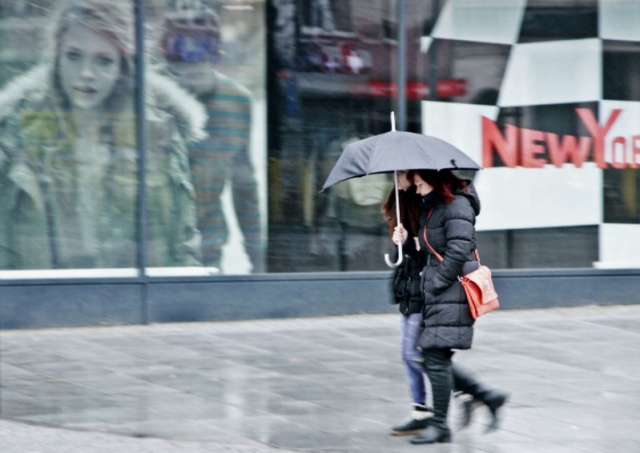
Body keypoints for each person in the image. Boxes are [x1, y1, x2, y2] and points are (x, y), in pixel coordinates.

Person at [0, 0, 205, 269]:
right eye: (74, 56)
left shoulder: (159, 135)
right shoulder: (16, 132)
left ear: (123, 66)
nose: (86, 74)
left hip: (134, 307)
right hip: (40, 307)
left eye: (104, 60)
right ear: (56, 56)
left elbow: (183, 249)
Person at [392, 169, 509, 444]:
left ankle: (441, 424)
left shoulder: (457, 205)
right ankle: (486, 398)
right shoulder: (433, 208)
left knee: (433, 357)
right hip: (439, 291)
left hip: (451, 290)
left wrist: (436, 283)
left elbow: (459, 250)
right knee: (432, 357)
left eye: (420, 185)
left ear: (434, 181)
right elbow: (429, 252)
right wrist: (406, 241)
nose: (417, 191)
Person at [159, 2, 265, 273]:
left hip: (208, 251)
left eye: (202, 46)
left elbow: (245, 187)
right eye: (181, 47)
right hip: (153, 250)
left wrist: (259, 258)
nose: (193, 57)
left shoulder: (237, 102)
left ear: (216, 53)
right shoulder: (147, 93)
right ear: (166, 52)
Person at [382, 171, 433, 435]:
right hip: (408, 287)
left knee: (413, 353)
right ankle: (420, 409)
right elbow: (405, 255)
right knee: (411, 353)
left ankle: (472, 390)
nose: (396, 177)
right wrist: (398, 242)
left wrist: (414, 244)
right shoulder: (398, 202)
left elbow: (432, 249)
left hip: (425, 288)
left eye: (401, 173)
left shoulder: (425, 202)